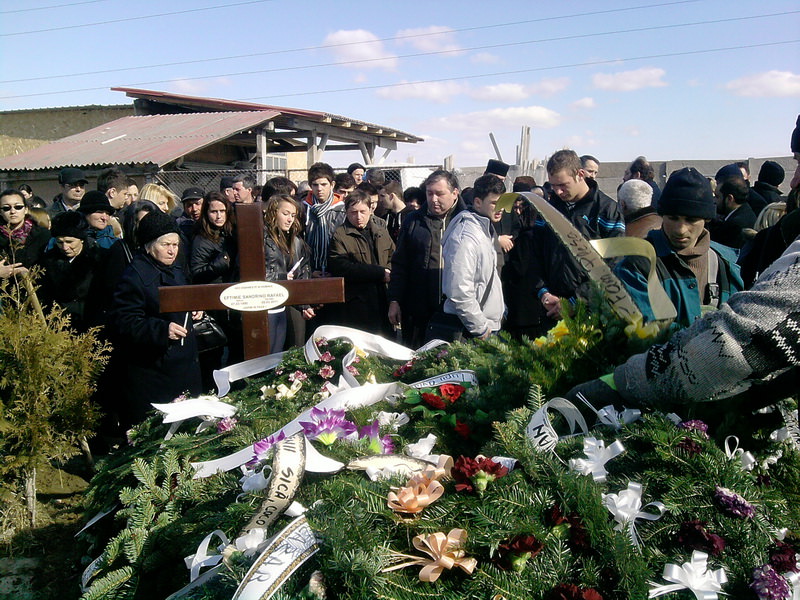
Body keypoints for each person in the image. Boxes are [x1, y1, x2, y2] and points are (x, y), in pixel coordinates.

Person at [567, 234, 800, 414]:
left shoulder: (725, 261)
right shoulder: (640, 260)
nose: (681, 229)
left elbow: (737, 345)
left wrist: (624, 382)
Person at [108, 210, 202, 429]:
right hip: (154, 369)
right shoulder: (135, 276)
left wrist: (195, 309)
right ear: (149, 245)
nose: (172, 251)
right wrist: (161, 329)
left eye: (175, 245)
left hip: (183, 364)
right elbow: (124, 321)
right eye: (165, 245)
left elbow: (183, 299)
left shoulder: (175, 269)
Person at [615, 167, 743, 328]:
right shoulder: (637, 265)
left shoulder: (726, 265)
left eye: (691, 220)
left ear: (706, 219)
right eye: (673, 218)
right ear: (662, 216)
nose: (680, 229)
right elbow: (645, 331)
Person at [531, 149, 625, 327]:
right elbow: (534, 255)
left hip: (592, 313)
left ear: (580, 175)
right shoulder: (548, 210)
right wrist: (542, 292)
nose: (558, 192)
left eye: (563, 185)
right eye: (553, 186)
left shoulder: (606, 210)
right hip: (551, 309)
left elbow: (614, 265)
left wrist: (577, 301)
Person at [388, 169, 466, 347]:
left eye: (440, 194)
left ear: (455, 193)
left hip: (455, 311)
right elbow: (400, 264)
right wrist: (395, 299)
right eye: (429, 193)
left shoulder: (467, 222)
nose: (433, 199)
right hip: (418, 309)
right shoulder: (414, 221)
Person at [440, 174, 505, 339]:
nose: (501, 208)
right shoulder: (465, 236)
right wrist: (480, 328)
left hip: (484, 324)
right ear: (477, 202)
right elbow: (459, 290)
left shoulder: (484, 228)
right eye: (494, 203)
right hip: (471, 330)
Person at [328, 189, 395, 336]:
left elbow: (393, 257)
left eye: (362, 211)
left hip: (383, 298)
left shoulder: (381, 231)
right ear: (346, 212)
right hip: (358, 302)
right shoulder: (341, 235)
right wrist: (379, 273)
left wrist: (388, 272)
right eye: (353, 212)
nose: (358, 217)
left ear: (371, 210)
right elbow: (341, 267)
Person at [190, 192, 239, 381]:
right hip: (212, 301)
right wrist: (219, 264)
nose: (218, 216)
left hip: (231, 298)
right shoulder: (201, 238)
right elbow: (196, 272)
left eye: (222, 211)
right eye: (213, 211)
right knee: (214, 355)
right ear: (206, 213)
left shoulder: (230, 233)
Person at [38, 211, 107, 331]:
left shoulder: (100, 259)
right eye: (60, 242)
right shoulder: (47, 262)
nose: (65, 247)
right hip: (58, 327)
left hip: (91, 325)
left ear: (81, 239)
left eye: (70, 242)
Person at [263, 194, 314, 351]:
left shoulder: (293, 239)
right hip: (265, 307)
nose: (290, 219)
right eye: (285, 214)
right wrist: (283, 277)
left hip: (282, 305)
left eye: (293, 215)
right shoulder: (262, 238)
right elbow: (255, 275)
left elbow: (302, 268)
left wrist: (304, 302)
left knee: (277, 356)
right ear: (273, 213)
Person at [302, 162, 345, 275]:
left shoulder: (342, 210)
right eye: (315, 185)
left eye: (323, 184)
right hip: (310, 268)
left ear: (332, 184)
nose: (319, 189)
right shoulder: (303, 209)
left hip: (336, 269)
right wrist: (309, 271)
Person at [0, 189, 50, 279]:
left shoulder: (43, 235)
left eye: (18, 207)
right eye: (6, 208)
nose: (12, 211)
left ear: (26, 209)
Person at [709, 176, 756, 251]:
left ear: (730, 198)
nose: (715, 201)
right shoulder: (745, 211)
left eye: (718, 197)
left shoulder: (735, 225)